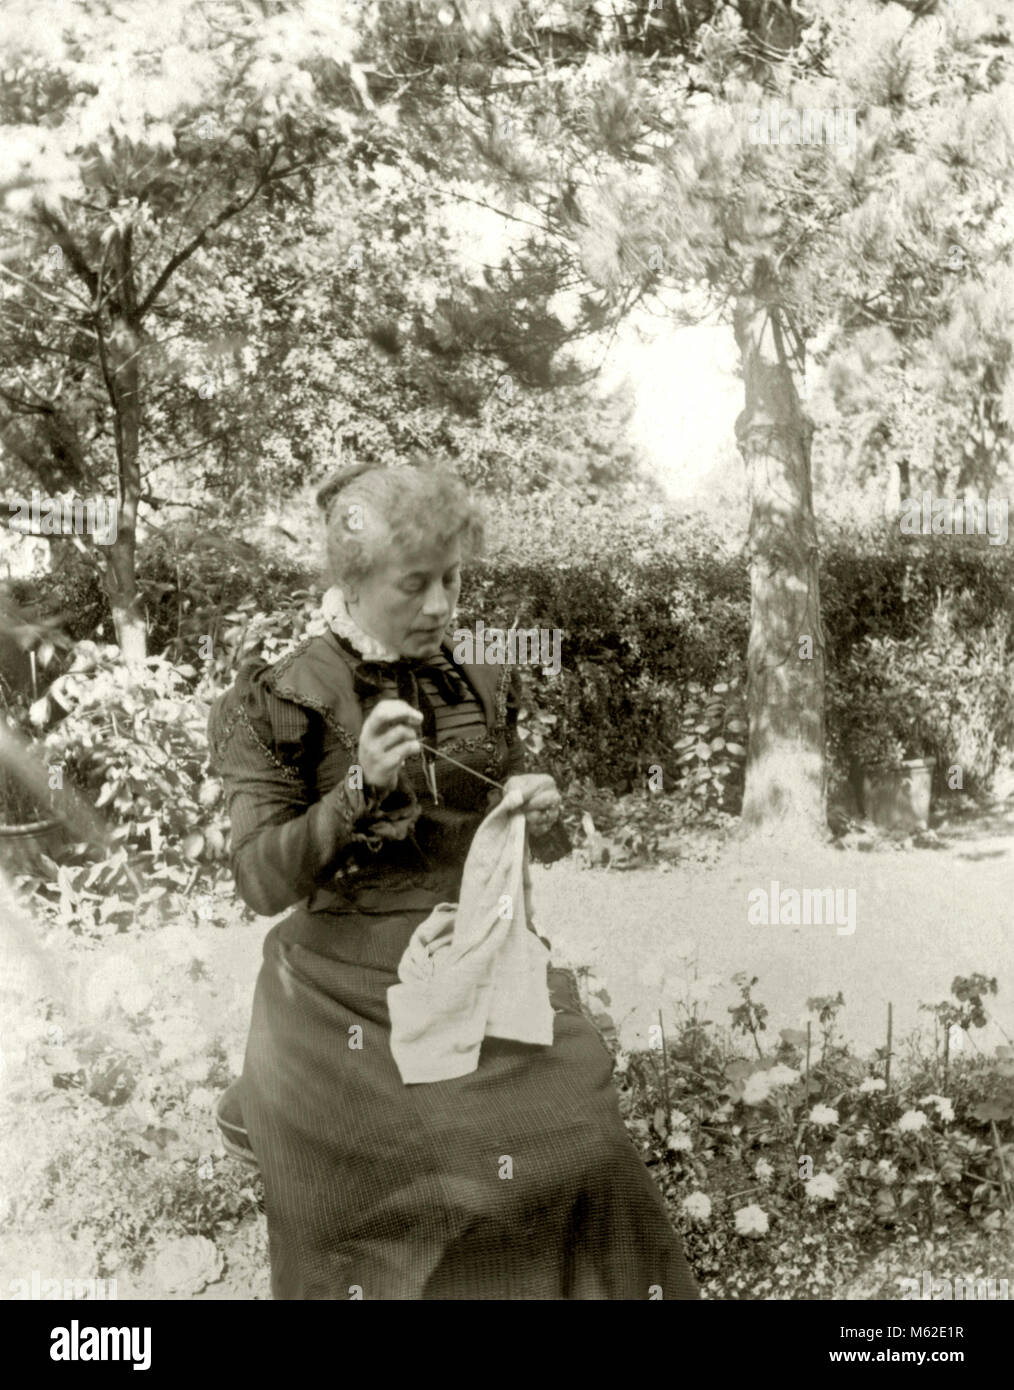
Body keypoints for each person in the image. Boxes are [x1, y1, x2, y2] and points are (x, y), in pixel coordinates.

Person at [207, 461, 699, 1300]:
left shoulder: (473, 680)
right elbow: (258, 881)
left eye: (453, 580)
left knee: (588, 1151)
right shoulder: (280, 696)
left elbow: (506, 839)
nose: (440, 606)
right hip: (342, 990)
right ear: (355, 581)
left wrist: (541, 815)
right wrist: (357, 788)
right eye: (415, 585)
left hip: (473, 959)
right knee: (437, 1189)